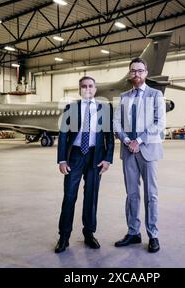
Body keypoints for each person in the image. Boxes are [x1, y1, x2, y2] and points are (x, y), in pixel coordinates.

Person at [55, 76, 115, 253]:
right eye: (84, 86)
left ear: (95, 89)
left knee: (91, 196)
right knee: (69, 197)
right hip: (74, 156)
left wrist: (108, 158)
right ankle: (64, 237)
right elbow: (64, 135)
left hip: (95, 157)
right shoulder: (71, 108)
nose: (87, 89)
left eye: (90, 86)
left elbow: (108, 136)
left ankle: (89, 233)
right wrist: (62, 160)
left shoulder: (104, 108)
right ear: (79, 89)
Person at [113, 57, 166, 253]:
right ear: (130, 73)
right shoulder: (123, 96)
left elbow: (159, 122)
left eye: (140, 70)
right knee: (132, 194)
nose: (137, 74)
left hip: (148, 150)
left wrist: (139, 140)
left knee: (151, 194)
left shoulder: (156, 95)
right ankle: (133, 232)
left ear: (146, 73)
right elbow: (116, 122)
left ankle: (153, 234)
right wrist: (127, 141)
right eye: (133, 71)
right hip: (128, 151)